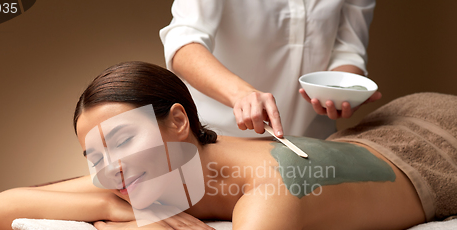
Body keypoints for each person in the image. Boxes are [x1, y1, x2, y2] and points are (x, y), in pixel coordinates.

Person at [0, 62, 457, 230]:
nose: (110, 169)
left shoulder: (274, 180)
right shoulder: (141, 176)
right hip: (369, 138)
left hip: (438, 145)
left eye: (122, 141)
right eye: (94, 156)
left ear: (178, 121)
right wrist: (119, 208)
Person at [160, 0, 381, 140]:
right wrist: (241, 94)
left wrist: (341, 91)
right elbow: (184, 43)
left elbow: (348, 49)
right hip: (218, 139)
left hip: (311, 140)